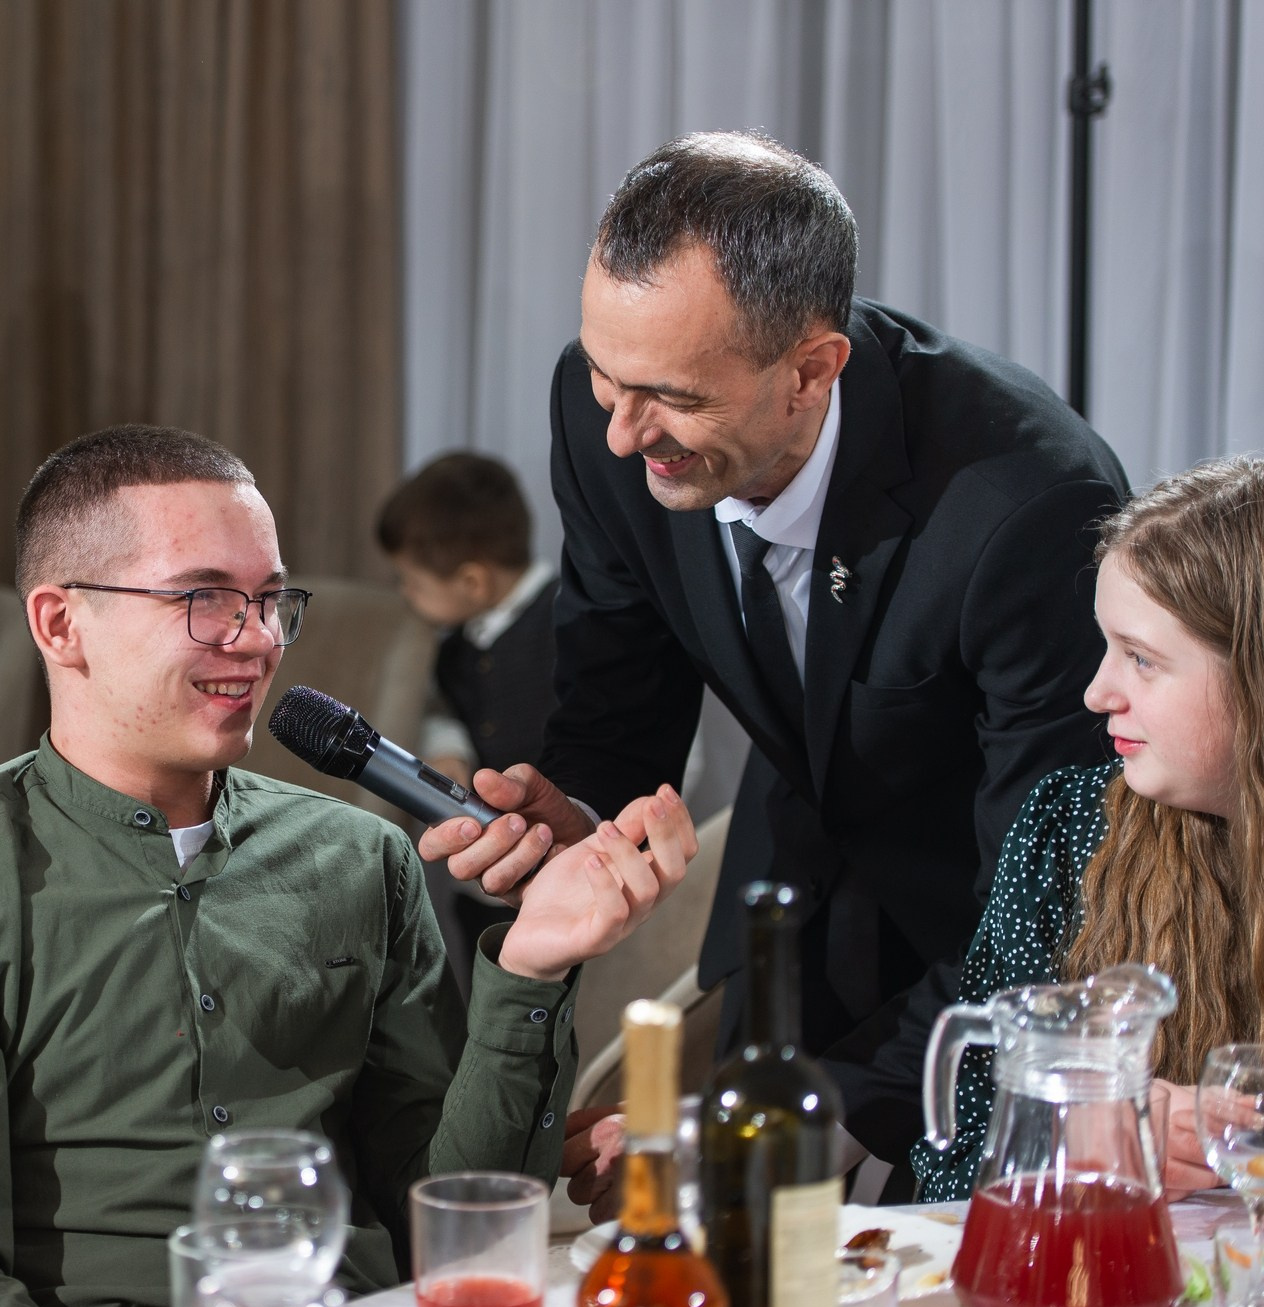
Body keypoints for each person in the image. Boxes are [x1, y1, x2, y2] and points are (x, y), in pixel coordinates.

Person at [0, 424, 699, 1307]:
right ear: (59, 622)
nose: (258, 639)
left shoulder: (363, 856)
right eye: (204, 598)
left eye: (271, 599)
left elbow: (451, 1213)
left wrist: (533, 964)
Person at [422, 131, 1130, 1196]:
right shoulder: (605, 405)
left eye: (668, 397)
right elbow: (616, 690)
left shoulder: (1027, 508)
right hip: (787, 898)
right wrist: (577, 805)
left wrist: (812, 1122)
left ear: (810, 369)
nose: (619, 434)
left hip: (990, 943)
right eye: (605, 377)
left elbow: (1045, 902)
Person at [910, 456, 1262, 1201]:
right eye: (1107, 647)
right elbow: (950, 1162)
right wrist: (1071, 1140)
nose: (1098, 692)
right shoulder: (1067, 829)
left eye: (1142, 659)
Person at [375, 452, 557, 974]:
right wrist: (448, 751)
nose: (405, 596)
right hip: (487, 883)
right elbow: (443, 709)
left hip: (562, 863)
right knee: (487, 978)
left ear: (472, 582)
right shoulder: (454, 647)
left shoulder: (570, 624)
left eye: (411, 582)